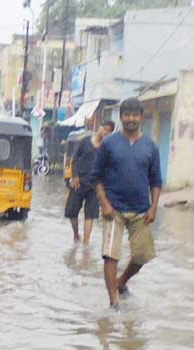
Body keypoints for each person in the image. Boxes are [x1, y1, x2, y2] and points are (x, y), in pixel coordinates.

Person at [91, 98, 162, 309]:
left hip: (141, 210)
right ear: (121, 117)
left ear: (141, 117)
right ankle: (113, 302)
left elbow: (156, 180)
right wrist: (104, 203)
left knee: (142, 255)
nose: (131, 119)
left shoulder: (150, 146)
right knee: (110, 254)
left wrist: (154, 207)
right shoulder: (109, 143)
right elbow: (97, 177)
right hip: (114, 209)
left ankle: (121, 283)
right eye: (127, 115)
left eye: (135, 115)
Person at [65, 121, 114, 244]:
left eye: (109, 131)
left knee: (90, 215)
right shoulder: (85, 141)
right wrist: (75, 175)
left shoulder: (106, 148)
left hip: (95, 186)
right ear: (100, 127)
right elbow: (75, 158)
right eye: (104, 129)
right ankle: (76, 235)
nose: (105, 132)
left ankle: (86, 243)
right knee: (71, 212)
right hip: (79, 182)